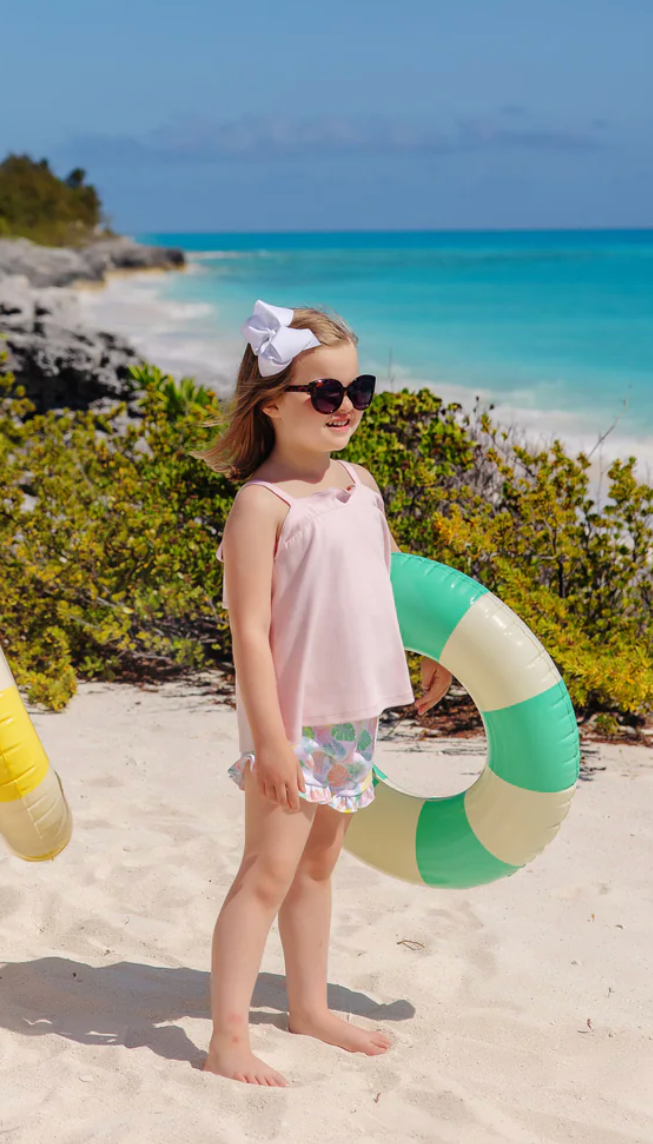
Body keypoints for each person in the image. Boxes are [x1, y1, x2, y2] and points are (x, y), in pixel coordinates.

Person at [200, 301, 451, 1086]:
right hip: (290, 715)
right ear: (270, 402)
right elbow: (248, 633)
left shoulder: (361, 484)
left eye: (357, 389)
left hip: (351, 712)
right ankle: (227, 1037)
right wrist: (269, 739)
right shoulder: (261, 506)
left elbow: (381, 583)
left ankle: (307, 1004)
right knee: (266, 871)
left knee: (317, 866)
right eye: (325, 393)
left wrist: (429, 650)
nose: (346, 408)